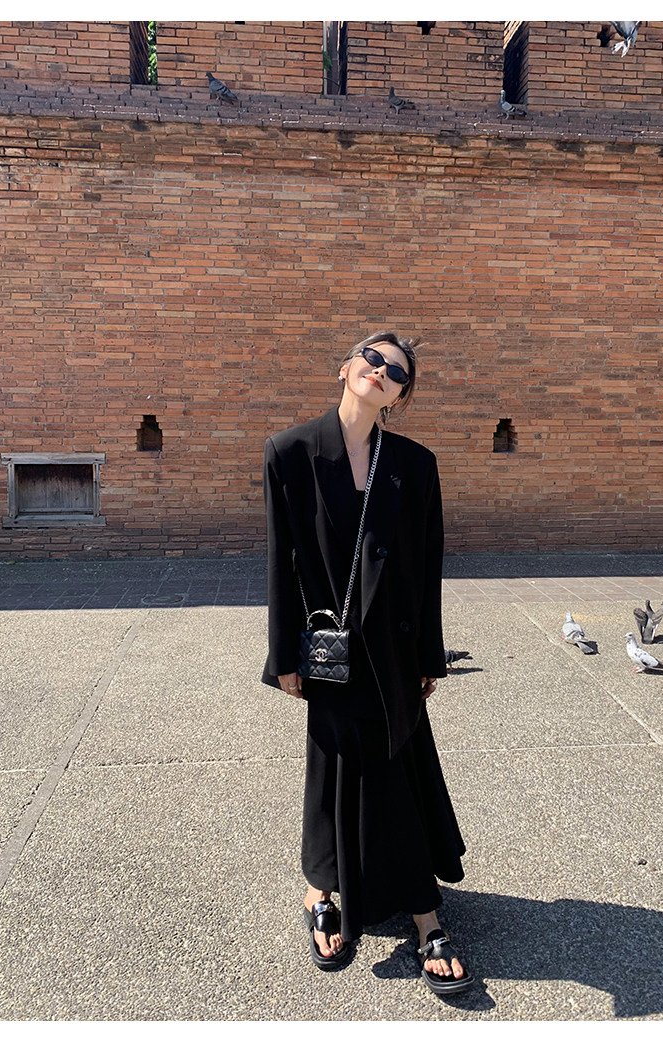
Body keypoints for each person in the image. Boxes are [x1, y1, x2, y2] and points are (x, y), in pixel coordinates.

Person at [262, 331, 473, 996]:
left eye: (397, 373)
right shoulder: (290, 451)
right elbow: (280, 562)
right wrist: (283, 655)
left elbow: (429, 566)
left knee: (397, 764)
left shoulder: (414, 463)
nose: (382, 372)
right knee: (332, 766)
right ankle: (322, 889)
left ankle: (423, 911)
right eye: (373, 359)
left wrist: (430, 654)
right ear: (347, 367)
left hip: (394, 647)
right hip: (329, 647)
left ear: (400, 397)